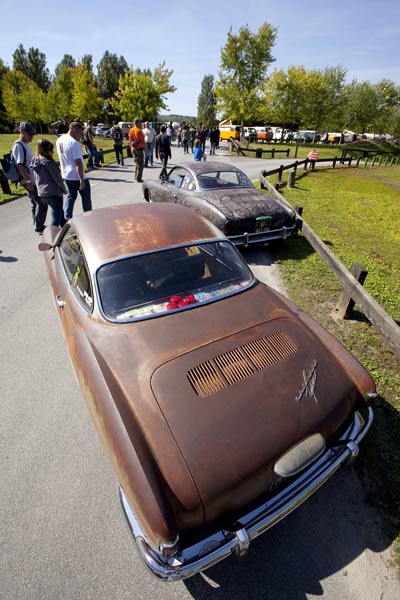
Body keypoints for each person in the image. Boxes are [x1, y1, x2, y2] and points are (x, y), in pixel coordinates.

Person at [12, 122, 47, 234]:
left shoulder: (25, 144)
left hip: (32, 179)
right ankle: (39, 226)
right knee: (42, 203)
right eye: (29, 135)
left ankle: (37, 223)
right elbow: (19, 165)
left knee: (35, 202)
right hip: (27, 180)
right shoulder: (18, 146)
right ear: (22, 131)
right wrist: (28, 181)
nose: (31, 137)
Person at [56, 121, 92, 219]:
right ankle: (88, 216)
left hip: (66, 174)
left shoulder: (60, 140)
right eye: (80, 132)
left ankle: (67, 217)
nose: (81, 135)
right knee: (86, 197)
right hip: (77, 175)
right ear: (74, 129)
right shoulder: (73, 143)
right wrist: (81, 179)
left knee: (71, 196)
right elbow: (78, 163)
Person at [30, 139, 67, 228]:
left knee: (59, 212)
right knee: (55, 217)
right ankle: (53, 236)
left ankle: (66, 229)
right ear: (46, 150)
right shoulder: (48, 163)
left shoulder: (35, 161)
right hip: (54, 192)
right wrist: (64, 189)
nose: (52, 152)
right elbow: (57, 178)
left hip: (43, 192)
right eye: (51, 150)